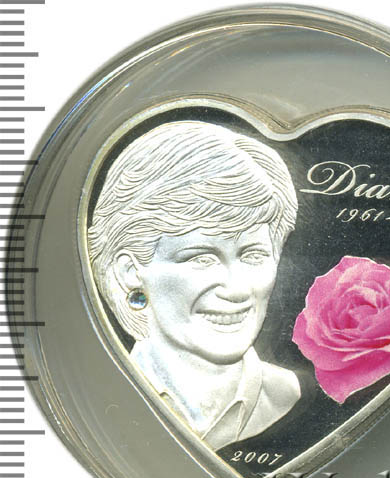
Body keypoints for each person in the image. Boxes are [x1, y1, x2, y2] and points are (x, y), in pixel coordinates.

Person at [88, 120, 301, 450]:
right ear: (130, 271)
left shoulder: (284, 395)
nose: (237, 289)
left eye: (253, 255)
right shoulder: (95, 395)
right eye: (202, 258)